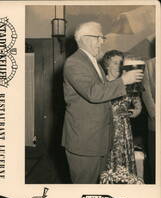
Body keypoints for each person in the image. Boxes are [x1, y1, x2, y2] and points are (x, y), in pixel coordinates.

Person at [62, 21, 144, 184]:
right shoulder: (74, 62)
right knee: (84, 189)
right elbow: (93, 93)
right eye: (98, 37)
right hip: (85, 143)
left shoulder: (92, 63)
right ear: (84, 39)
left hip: (97, 140)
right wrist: (123, 81)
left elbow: (103, 91)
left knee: (98, 187)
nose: (102, 41)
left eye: (102, 38)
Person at [99, 50, 142, 183]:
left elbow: (138, 106)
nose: (118, 66)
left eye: (120, 63)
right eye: (115, 63)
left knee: (125, 169)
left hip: (124, 131)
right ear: (107, 65)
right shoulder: (102, 84)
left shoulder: (129, 84)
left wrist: (132, 113)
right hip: (106, 130)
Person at [142, 57, 155, 184]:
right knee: (155, 163)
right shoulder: (150, 65)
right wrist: (155, 115)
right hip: (156, 125)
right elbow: (146, 93)